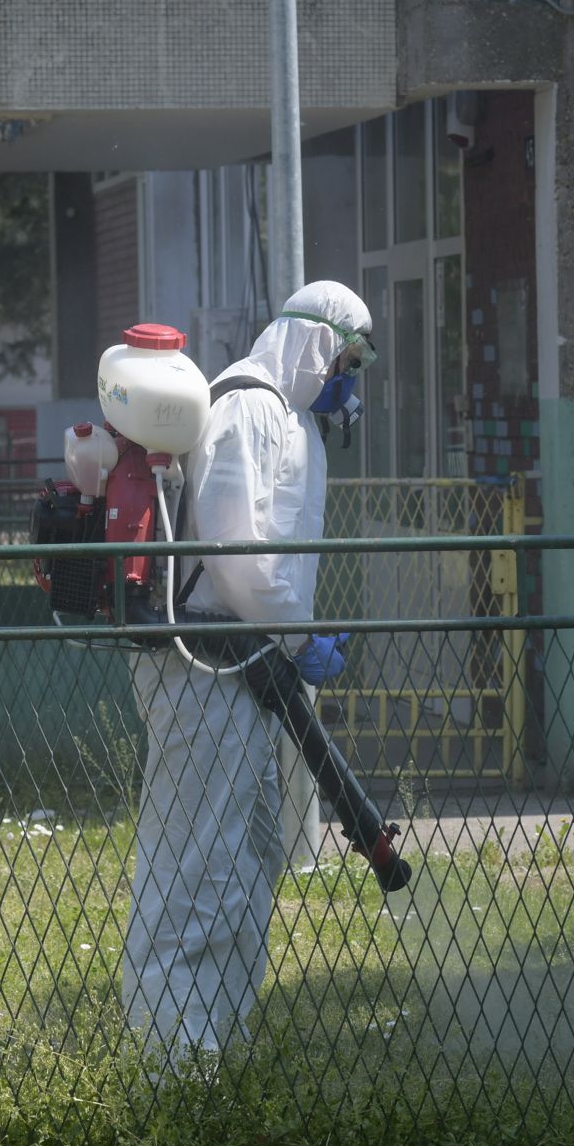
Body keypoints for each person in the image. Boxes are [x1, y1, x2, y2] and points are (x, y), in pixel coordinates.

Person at [121, 280, 378, 1067]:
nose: (350, 375)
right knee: (194, 863)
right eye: (349, 356)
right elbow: (236, 553)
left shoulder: (293, 421)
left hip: (250, 665)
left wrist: (293, 640)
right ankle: (171, 1060)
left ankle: (218, 1041)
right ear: (315, 341)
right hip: (207, 663)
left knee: (250, 854)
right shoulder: (246, 404)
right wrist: (301, 639)